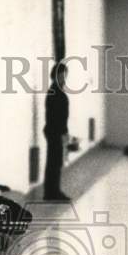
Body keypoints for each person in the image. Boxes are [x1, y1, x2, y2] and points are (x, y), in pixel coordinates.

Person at [43, 62, 70, 202]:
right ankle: (52, 192)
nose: (65, 77)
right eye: (63, 74)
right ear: (57, 75)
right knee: (54, 162)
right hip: (55, 132)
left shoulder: (56, 90)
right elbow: (56, 116)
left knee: (55, 162)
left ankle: (52, 191)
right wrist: (63, 133)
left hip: (55, 131)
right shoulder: (55, 91)